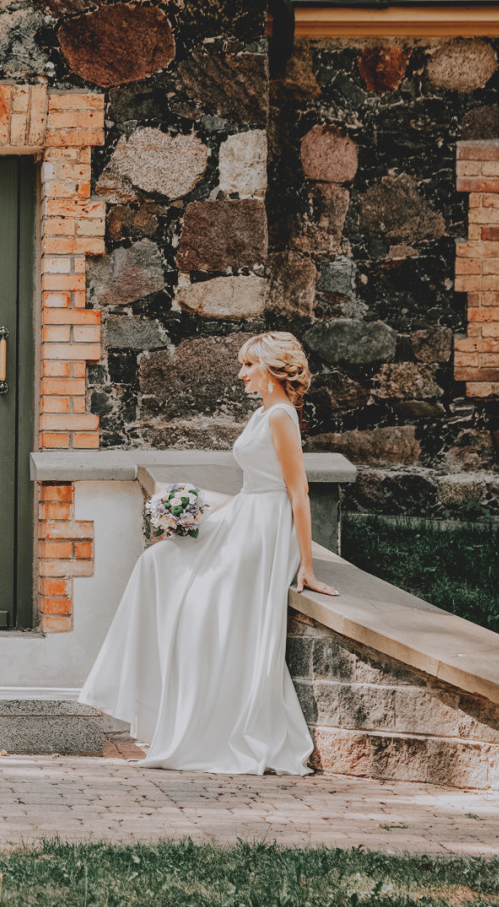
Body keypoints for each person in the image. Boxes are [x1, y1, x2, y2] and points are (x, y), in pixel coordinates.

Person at [78, 331, 339, 775]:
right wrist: (196, 509)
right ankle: (161, 711)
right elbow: (252, 484)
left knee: (201, 609)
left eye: (248, 366)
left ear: (271, 370)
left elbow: (298, 491)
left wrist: (307, 565)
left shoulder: (281, 417)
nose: (241, 374)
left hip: (264, 530)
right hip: (243, 513)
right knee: (157, 561)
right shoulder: (263, 413)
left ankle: (213, 726)